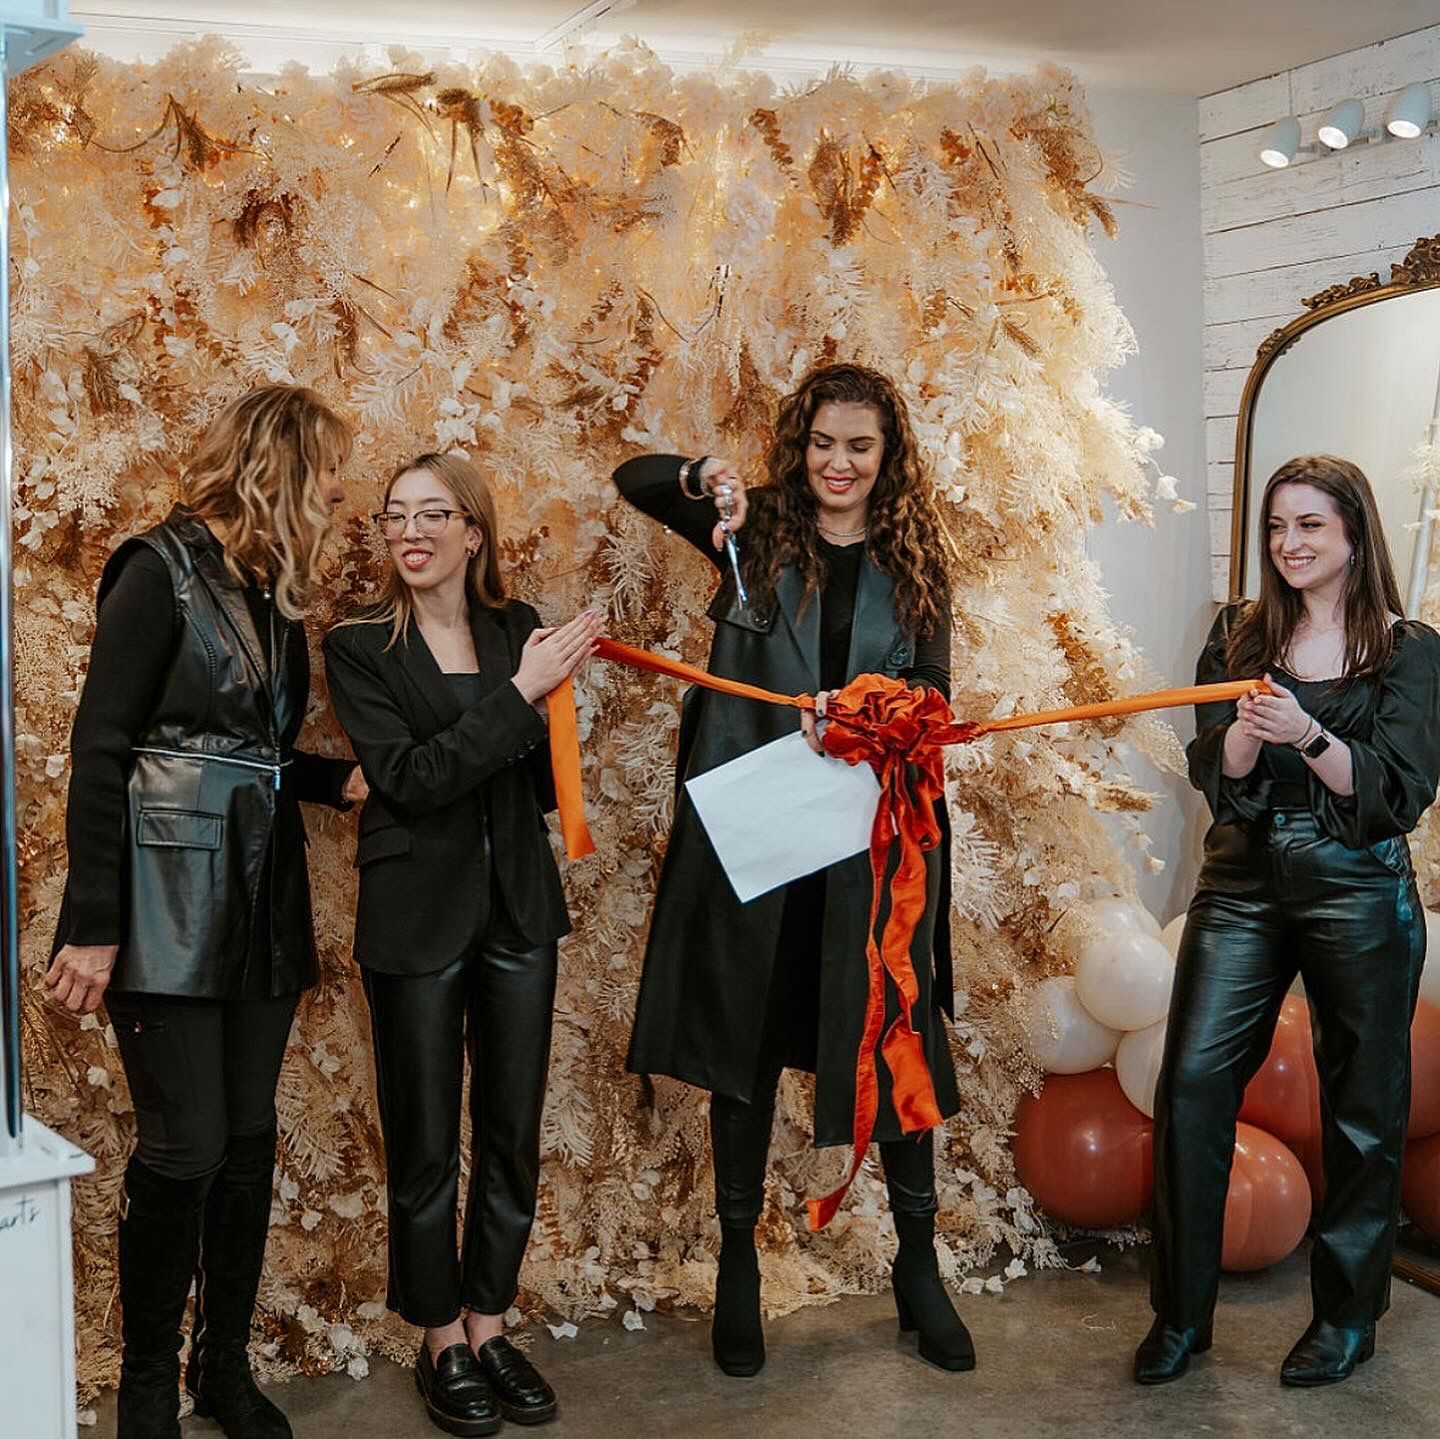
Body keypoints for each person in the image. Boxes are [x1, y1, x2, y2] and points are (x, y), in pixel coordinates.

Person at [614, 362, 969, 1377]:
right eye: (823, 442)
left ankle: (917, 1264)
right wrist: (702, 473)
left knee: (888, 1037)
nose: (839, 463)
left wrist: (875, 713)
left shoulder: (920, 555)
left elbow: (936, 693)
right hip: (765, 833)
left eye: (860, 445)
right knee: (747, 1036)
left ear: (887, 453)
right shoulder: (751, 528)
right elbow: (634, 480)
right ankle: (736, 1262)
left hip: (871, 840)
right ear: (798, 442)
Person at [44, 386, 366, 1439]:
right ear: (279, 463)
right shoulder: (156, 569)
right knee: (181, 1149)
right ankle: (146, 1390)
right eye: (326, 471)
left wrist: (333, 784)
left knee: (246, 1140)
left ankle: (219, 1371)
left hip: (261, 903)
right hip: (165, 906)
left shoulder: (271, 593)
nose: (335, 492)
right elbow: (103, 751)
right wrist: (92, 922)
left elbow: (242, 752)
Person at [1136, 454, 1440, 1388]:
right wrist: (1238, 735)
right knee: (1190, 1087)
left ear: (1354, 534)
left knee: (1361, 1112)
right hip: (1240, 885)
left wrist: (1306, 735)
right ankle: (1182, 1317)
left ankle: (1346, 1319)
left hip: (1357, 888)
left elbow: (1397, 793)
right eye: (1277, 527)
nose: (1290, 544)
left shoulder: (1407, 647)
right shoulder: (1238, 634)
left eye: (1311, 525)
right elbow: (1209, 770)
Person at [323, 452, 602, 1436]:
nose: (413, 529)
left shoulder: (517, 628)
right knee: (427, 1144)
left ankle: (489, 1320)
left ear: (472, 533)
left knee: (512, 1133)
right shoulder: (359, 645)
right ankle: (439, 1334)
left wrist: (558, 694)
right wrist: (522, 694)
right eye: (397, 513)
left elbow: (531, 776)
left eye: (436, 512)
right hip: (414, 920)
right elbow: (412, 774)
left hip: (519, 912)